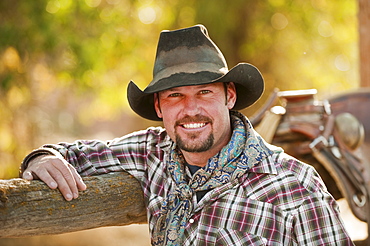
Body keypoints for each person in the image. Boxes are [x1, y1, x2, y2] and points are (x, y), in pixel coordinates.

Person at [20, 25, 354, 245]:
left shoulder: (296, 188)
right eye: (175, 96)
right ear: (159, 106)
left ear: (230, 96)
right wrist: (41, 158)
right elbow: (74, 154)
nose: (190, 109)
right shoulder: (153, 152)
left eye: (204, 93)